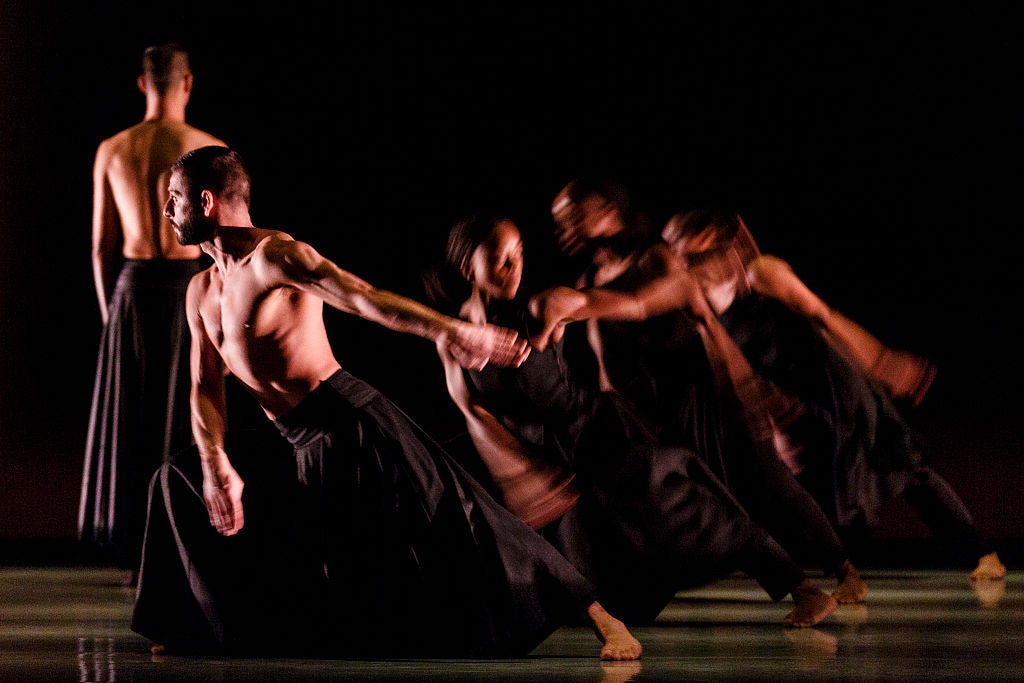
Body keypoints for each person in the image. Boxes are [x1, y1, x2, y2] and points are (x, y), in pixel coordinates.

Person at [130, 145, 642, 660]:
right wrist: (218, 462)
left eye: (173, 199)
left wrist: (456, 332)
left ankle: (602, 616)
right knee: (176, 479)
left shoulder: (275, 258)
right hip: (291, 439)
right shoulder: (200, 290)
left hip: (350, 424)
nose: (168, 212)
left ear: (207, 200)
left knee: (463, 518)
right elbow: (204, 387)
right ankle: (190, 624)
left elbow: (362, 296)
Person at [425, 212, 840, 628]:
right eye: (503, 259)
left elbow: (637, 305)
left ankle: (803, 589)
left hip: (596, 432)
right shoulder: (454, 338)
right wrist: (519, 474)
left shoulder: (542, 306)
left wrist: (684, 282)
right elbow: (471, 410)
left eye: (520, 255)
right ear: (468, 269)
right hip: (547, 454)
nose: (516, 268)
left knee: (689, 515)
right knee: (598, 563)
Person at [535, 177, 868, 605]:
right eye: (558, 221)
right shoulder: (590, 278)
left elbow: (644, 304)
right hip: (657, 413)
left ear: (609, 212)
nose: (564, 229)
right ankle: (792, 587)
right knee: (705, 504)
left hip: (710, 394)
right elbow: (604, 364)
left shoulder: (655, 260)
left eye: (573, 217)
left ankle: (844, 571)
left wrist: (578, 305)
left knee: (769, 483)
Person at [660, 208, 1006, 582]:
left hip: (832, 383)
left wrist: (880, 360)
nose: (679, 257)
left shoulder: (762, 274)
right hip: (794, 395)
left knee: (902, 466)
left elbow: (825, 315)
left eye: (689, 249)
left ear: (716, 241)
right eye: (675, 250)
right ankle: (838, 571)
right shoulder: (698, 298)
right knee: (810, 483)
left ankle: (981, 553)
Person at [79, 43, 227, 586]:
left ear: (143, 84)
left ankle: (139, 552)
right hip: (189, 285)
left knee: (137, 418)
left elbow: (101, 247)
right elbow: (221, 237)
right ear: (187, 83)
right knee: (188, 409)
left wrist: (110, 315)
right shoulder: (206, 148)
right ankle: (183, 544)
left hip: (131, 289)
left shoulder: (113, 149)